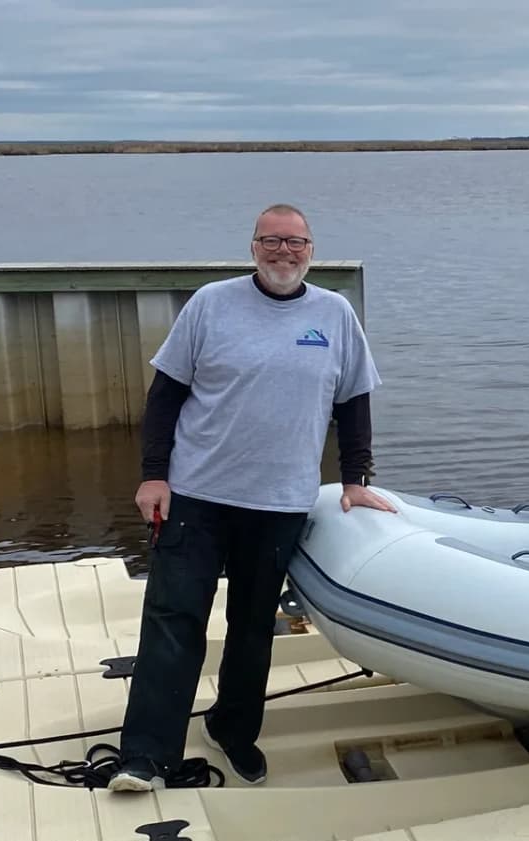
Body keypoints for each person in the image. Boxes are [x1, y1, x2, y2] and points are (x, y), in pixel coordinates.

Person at [109, 203, 396, 792]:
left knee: (250, 627)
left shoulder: (336, 314)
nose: (283, 252)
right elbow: (164, 396)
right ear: (253, 247)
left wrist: (356, 481)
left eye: (295, 242)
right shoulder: (212, 303)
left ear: (312, 250)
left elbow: (353, 403)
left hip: (279, 504)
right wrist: (153, 475)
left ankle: (233, 731)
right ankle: (143, 753)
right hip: (195, 495)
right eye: (272, 241)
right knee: (173, 620)